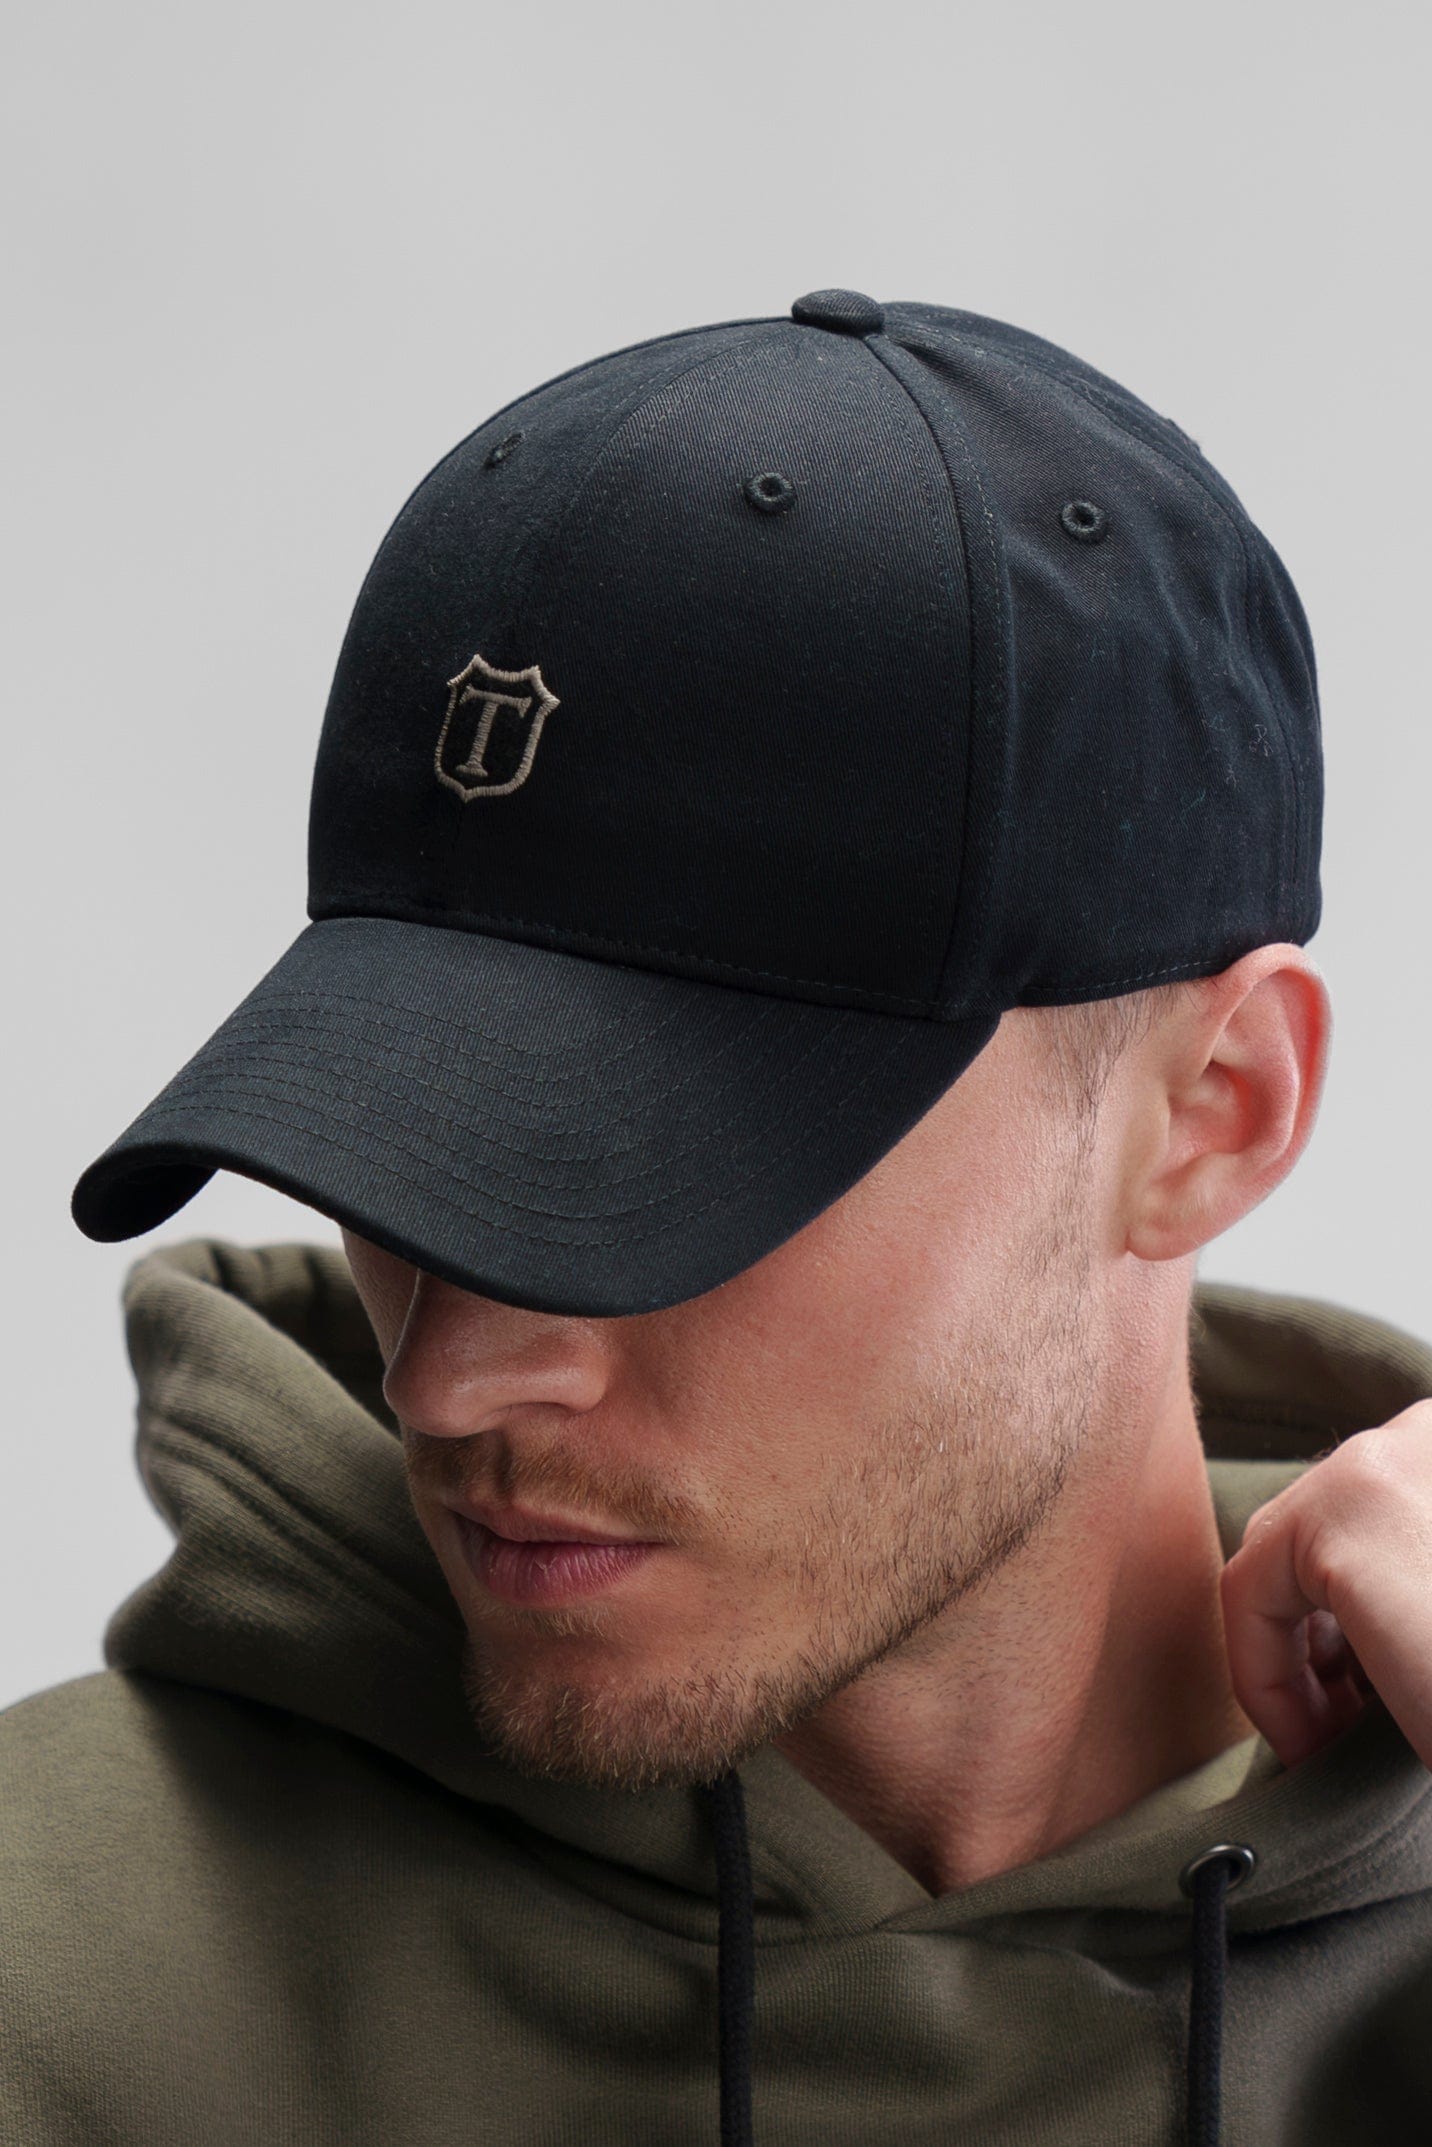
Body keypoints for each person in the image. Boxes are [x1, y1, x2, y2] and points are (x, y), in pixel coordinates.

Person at [4, 289, 1429, 2145]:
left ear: (1215, 1112)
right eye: (404, 1147)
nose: (447, 1381)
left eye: (666, 1175)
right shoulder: (52, 1987)